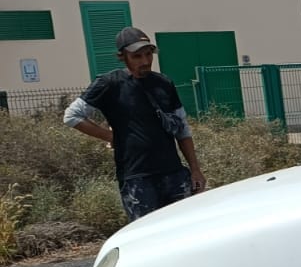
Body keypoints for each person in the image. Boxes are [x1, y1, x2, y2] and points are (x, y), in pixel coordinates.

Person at [63, 27, 207, 220]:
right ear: (123, 57)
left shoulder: (164, 83)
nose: (145, 61)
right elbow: (72, 116)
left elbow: (182, 129)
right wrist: (111, 136)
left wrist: (195, 170)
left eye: (149, 55)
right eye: (137, 56)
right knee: (147, 238)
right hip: (137, 179)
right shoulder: (110, 84)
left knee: (187, 231)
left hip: (174, 174)